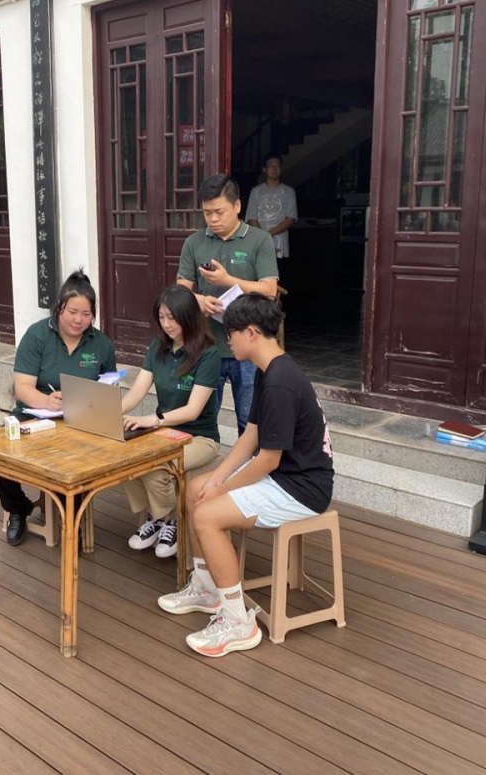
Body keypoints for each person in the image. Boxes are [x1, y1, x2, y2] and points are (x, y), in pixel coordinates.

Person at [156, 293, 334, 657]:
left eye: (231, 334)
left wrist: (221, 490)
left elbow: (267, 460)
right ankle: (206, 587)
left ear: (251, 333)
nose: (228, 342)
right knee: (195, 488)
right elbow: (250, 437)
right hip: (283, 475)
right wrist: (216, 481)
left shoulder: (281, 381)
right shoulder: (269, 370)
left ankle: (239, 621)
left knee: (206, 514)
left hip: (301, 487)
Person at [0, 270, 117, 545]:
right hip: (33, 414)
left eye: (86, 314)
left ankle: (71, 520)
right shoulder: (37, 335)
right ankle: (17, 507)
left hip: (79, 420)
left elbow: (109, 389)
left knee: (75, 459)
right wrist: (46, 401)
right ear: (60, 308)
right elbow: (22, 387)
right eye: (72, 312)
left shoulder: (102, 345)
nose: (78, 320)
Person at [120, 286, 222, 558]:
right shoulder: (158, 347)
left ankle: (172, 521)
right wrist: (111, 413)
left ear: (188, 316)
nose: (166, 324)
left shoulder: (208, 353)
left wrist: (153, 420)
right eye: (162, 317)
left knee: (157, 466)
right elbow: (137, 392)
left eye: (173, 318)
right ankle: (156, 518)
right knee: (125, 459)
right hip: (164, 431)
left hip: (199, 437)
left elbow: (193, 411)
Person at [177, 173, 278, 436]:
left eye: (219, 212)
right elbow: (180, 291)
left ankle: (250, 463)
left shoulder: (260, 240)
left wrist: (228, 280)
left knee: (250, 419)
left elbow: (269, 290)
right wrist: (198, 300)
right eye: (207, 213)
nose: (213, 219)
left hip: (251, 347)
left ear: (237, 206)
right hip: (207, 345)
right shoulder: (194, 242)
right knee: (204, 418)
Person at [246, 155, 298, 288]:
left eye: (277, 166)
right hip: (259, 246)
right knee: (258, 284)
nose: (274, 169)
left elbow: (290, 219)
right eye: (271, 166)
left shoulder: (288, 191)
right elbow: (251, 218)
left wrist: (267, 235)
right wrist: (263, 238)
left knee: (278, 285)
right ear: (264, 169)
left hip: (281, 248)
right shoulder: (256, 191)